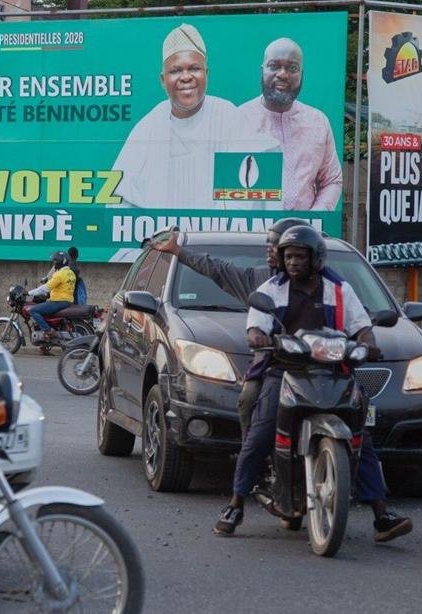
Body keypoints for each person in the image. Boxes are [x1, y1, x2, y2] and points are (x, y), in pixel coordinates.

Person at [213, 226, 412, 543]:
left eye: (300, 256)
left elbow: (361, 326)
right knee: (261, 433)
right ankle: (235, 504)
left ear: (315, 259)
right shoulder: (272, 289)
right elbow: (255, 326)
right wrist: (258, 337)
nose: (293, 262)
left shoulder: (339, 289)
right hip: (284, 369)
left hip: (332, 371)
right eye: (288, 256)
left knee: (360, 438)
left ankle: (381, 516)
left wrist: (368, 343)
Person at [154, 218, 321, 443]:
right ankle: (251, 452)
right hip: (275, 364)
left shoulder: (330, 286)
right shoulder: (261, 282)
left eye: (275, 246)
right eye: (273, 246)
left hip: (319, 365)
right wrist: (178, 251)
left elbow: (355, 319)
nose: (270, 250)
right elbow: (217, 269)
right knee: (248, 400)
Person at [111, 23, 271, 209]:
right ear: (163, 80)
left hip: (220, 227)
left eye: (194, 68)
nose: (186, 77)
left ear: (206, 74)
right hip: (159, 227)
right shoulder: (150, 125)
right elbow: (119, 198)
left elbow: (253, 196)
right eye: (176, 71)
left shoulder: (229, 118)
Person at [237, 38, 342, 211]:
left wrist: (312, 220)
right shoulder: (238, 121)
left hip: (305, 227)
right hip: (252, 227)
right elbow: (227, 190)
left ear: (301, 74)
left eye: (292, 68)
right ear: (262, 71)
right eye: (274, 66)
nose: (283, 74)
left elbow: (332, 180)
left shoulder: (318, 122)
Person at [27, 251, 77, 342]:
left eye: (55, 261)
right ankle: (45, 343)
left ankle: (48, 332)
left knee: (33, 310)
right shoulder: (71, 273)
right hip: (68, 301)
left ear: (60, 262)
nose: (54, 263)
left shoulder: (60, 274)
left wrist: (29, 293)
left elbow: (45, 288)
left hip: (58, 301)